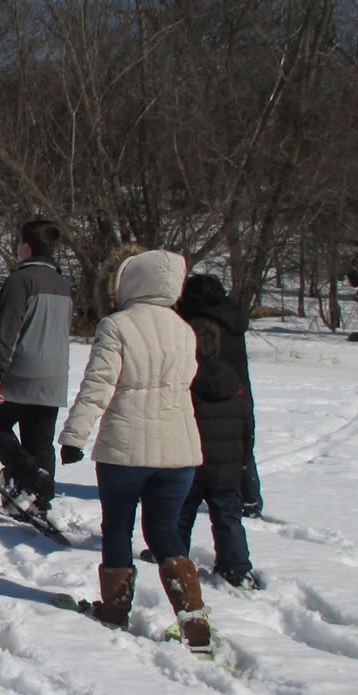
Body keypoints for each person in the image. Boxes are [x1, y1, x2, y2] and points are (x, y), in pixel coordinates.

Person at [58, 249, 212, 655]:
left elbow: (99, 384)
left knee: (118, 528)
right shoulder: (184, 330)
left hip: (124, 450)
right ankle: (193, 617)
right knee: (165, 533)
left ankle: (114, 609)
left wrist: (75, 436)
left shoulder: (117, 326)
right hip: (179, 450)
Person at [0, 219, 73, 527]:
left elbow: (8, 329)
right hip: (54, 375)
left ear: (27, 246)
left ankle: (32, 477)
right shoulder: (62, 283)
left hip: (20, 372)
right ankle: (39, 502)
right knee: (40, 441)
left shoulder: (22, 280)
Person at [170, 317, 257, 589]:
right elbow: (247, 423)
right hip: (227, 466)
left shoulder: (185, 380)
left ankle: (173, 556)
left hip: (191, 461)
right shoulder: (234, 381)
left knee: (181, 515)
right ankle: (236, 567)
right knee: (228, 519)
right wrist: (243, 458)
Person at [175, 274, 263, 518]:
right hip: (238, 389)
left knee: (201, 443)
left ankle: (189, 495)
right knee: (240, 443)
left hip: (205, 389)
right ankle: (251, 498)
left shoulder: (196, 323)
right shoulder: (233, 317)